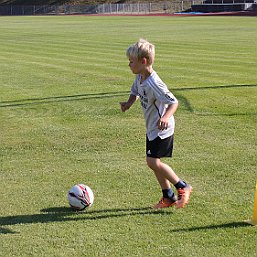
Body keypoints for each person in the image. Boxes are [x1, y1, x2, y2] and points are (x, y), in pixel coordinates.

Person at [120, 39, 192, 209]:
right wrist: (129, 103)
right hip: (152, 128)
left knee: (153, 162)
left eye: (131, 61)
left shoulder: (154, 83)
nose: (129, 64)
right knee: (154, 162)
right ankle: (168, 196)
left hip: (162, 129)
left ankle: (182, 186)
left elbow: (174, 102)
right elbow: (135, 91)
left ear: (143, 61)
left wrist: (165, 118)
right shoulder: (140, 76)